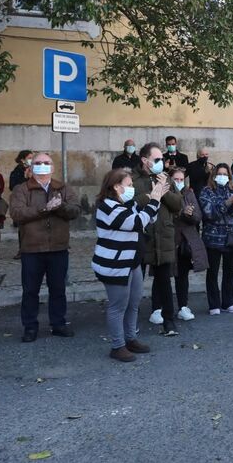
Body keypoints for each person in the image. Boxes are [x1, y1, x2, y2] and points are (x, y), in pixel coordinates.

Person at [92, 168, 166, 362]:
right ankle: (117, 346)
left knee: (133, 303)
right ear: (116, 187)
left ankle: (130, 338)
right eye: (129, 185)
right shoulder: (107, 206)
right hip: (115, 264)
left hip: (131, 261)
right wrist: (155, 200)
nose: (132, 188)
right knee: (118, 306)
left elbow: (147, 218)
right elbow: (136, 222)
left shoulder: (126, 204)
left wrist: (154, 200)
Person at [9, 153, 81, 343]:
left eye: (46, 163)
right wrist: (44, 209)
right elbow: (16, 213)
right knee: (30, 290)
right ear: (31, 168)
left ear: (53, 167)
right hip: (32, 249)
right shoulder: (21, 189)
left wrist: (60, 207)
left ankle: (58, 324)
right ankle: (30, 327)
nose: (42, 165)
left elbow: (75, 210)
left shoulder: (62, 188)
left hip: (58, 248)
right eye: (38, 163)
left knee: (58, 289)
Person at [133, 143, 183, 336]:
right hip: (142, 237)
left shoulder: (165, 177)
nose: (160, 162)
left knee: (164, 281)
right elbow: (131, 203)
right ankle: (131, 322)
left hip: (163, 236)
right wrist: (151, 195)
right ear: (145, 160)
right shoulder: (133, 179)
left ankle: (169, 322)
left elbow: (178, 204)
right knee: (135, 284)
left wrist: (164, 191)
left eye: (161, 159)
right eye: (156, 160)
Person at [199, 164, 233, 315]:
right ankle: (213, 305)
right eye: (219, 173)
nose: (222, 176)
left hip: (232, 236)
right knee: (212, 272)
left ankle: (228, 302)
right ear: (213, 175)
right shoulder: (207, 191)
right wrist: (226, 203)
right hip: (213, 237)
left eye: (225, 174)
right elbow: (210, 213)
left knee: (229, 272)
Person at [169, 167, 207, 322]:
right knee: (162, 276)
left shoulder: (189, 193)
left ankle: (183, 306)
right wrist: (181, 213)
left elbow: (198, 216)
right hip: (169, 240)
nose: (179, 182)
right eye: (176, 179)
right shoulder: (166, 194)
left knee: (182, 276)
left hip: (185, 241)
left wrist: (190, 215)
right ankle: (157, 308)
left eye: (181, 179)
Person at [9, 150, 33, 260]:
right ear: (22, 159)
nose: (31, 160)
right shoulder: (17, 171)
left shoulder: (35, 170)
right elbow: (14, 187)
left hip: (33, 202)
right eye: (29, 157)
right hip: (22, 203)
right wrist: (25, 177)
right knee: (22, 227)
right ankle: (22, 249)